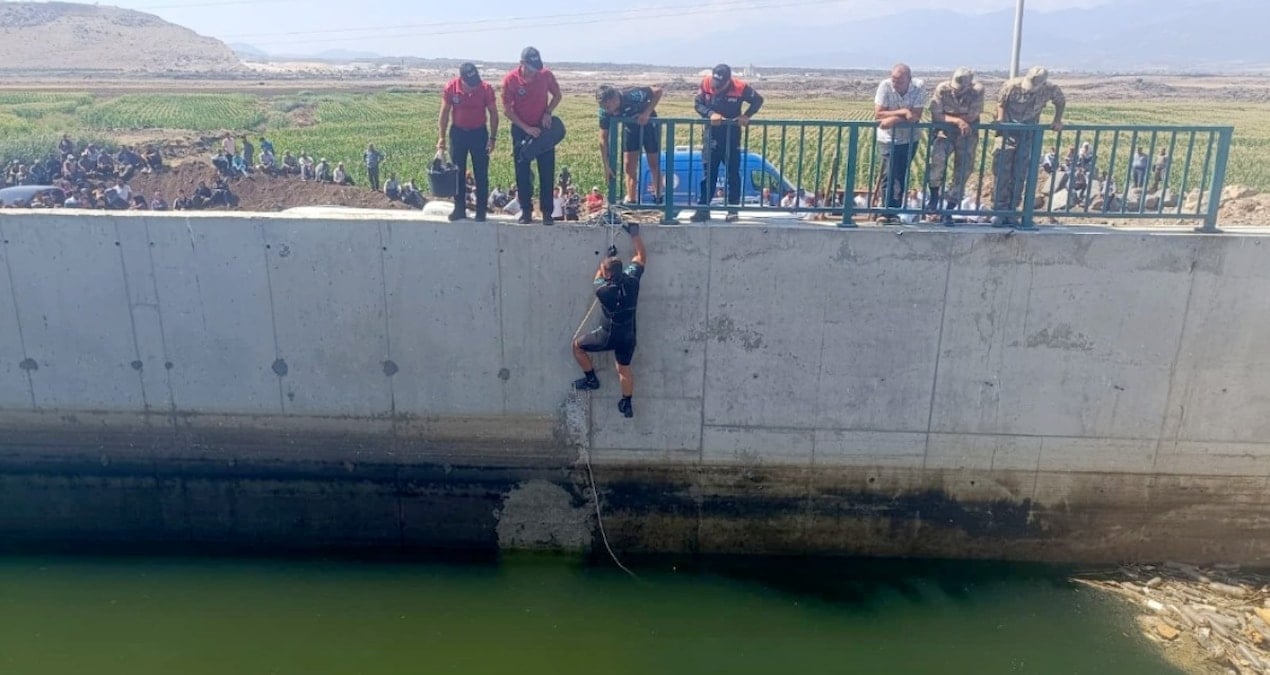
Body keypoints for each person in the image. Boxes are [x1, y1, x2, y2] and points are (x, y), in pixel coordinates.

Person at [572, 222, 647, 419]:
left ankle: (591, 380)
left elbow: (598, 277)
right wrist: (634, 235)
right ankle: (627, 402)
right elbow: (640, 257)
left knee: (577, 346)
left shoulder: (603, 290)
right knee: (623, 368)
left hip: (608, 335)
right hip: (629, 336)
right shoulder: (632, 281)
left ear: (607, 274)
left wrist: (605, 259)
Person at [991, 66, 1065, 227]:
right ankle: (998, 210)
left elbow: (1060, 101)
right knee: (1002, 173)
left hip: (1028, 135)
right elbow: (1001, 103)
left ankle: (1012, 211)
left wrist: (1057, 119)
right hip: (1007, 134)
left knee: (1020, 174)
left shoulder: (1050, 88)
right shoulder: (1011, 85)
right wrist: (1001, 122)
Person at [691, 64, 763, 223]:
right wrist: (711, 114)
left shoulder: (740, 87)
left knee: (732, 173)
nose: (717, 88)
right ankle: (703, 209)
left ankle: (732, 210)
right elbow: (698, 104)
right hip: (712, 135)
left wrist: (746, 115)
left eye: (720, 85)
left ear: (728, 80)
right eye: (715, 84)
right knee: (708, 173)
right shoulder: (706, 83)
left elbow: (758, 100)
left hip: (732, 135)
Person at [502, 47, 562, 225]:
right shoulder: (510, 80)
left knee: (547, 170)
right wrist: (526, 128)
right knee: (522, 172)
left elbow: (558, 95)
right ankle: (526, 211)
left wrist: (548, 112)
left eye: (537, 67)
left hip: (543, 127)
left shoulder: (546, 75)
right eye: (532, 67)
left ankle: (546, 213)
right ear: (522, 64)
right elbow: (507, 110)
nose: (535, 71)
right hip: (521, 128)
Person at [439, 62, 497, 222]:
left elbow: (493, 113)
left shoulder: (485, 88)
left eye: (475, 83)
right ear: (462, 79)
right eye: (470, 84)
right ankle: (459, 209)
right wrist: (442, 137)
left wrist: (492, 138)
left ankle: (481, 211)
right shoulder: (451, 88)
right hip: (458, 134)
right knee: (458, 173)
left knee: (481, 174)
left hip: (479, 134)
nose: (473, 87)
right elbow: (444, 113)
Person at [927, 67, 983, 225]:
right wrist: (957, 121)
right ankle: (933, 199)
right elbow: (936, 114)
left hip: (967, 136)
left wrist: (950, 117)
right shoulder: (943, 89)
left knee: (963, 170)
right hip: (945, 133)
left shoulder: (977, 91)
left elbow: (973, 114)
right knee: (936, 162)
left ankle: (950, 208)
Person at [597, 84, 665, 205]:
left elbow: (658, 91)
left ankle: (658, 197)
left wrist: (647, 113)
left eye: (607, 107)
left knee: (653, 163)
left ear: (615, 99)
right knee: (629, 165)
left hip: (648, 125)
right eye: (603, 107)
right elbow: (603, 139)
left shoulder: (632, 95)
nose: (606, 110)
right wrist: (606, 166)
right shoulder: (604, 111)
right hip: (630, 128)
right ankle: (631, 200)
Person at [874, 63, 925, 222]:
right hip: (888, 138)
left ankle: (893, 211)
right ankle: (886, 210)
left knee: (900, 174)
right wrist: (903, 112)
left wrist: (894, 118)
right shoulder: (885, 86)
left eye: (900, 81)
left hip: (909, 138)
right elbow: (879, 113)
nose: (895, 84)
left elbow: (916, 116)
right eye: (894, 80)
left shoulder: (918, 87)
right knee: (889, 173)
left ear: (909, 80)